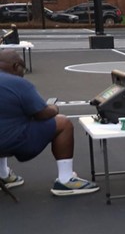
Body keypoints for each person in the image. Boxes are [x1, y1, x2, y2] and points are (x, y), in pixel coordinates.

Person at [0, 50, 99, 196]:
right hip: (10, 142)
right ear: (16, 66)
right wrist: (54, 108)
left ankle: (3, 175)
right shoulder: (19, 84)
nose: (23, 73)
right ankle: (65, 180)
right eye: (23, 69)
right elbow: (42, 114)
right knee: (63, 123)